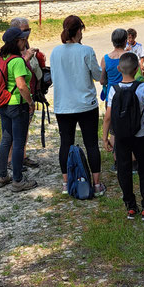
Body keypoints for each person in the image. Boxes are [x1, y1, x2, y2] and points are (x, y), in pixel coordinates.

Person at [49, 15, 106, 196]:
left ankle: (66, 183)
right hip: (86, 105)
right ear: (79, 30)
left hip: (63, 105)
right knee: (91, 144)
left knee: (65, 143)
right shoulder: (86, 51)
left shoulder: (55, 52)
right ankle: (96, 185)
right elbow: (98, 76)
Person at [102, 53, 144, 221]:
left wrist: (105, 138)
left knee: (124, 169)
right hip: (141, 135)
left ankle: (130, 207)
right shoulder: (142, 88)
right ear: (137, 70)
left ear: (119, 69)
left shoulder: (113, 89)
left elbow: (107, 117)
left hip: (121, 136)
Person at [0, 26, 38, 193]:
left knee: (6, 140)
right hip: (17, 105)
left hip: (3, 104)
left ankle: (2, 175)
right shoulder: (17, 61)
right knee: (19, 143)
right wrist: (30, 102)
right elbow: (21, 85)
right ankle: (18, 180)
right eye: (22, 39)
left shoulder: (2, 58)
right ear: (16, 42)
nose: (24, 41)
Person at [10, 16, 45, 162]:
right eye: (25, 30)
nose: (28, 33)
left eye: (29, 29)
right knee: (13, 133)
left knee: (24, 128)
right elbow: (14, 71)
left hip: (29, 94)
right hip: (16, 97)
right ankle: (12, 160)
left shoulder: (25, 45)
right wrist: (27, 58)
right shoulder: (11, 48)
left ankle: (22, 156)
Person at [100, 28, 129, 97]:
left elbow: (102, 81)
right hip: (127, 94)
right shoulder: (130, 56)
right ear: (125, 41)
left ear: (112, 42)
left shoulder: (105, 59)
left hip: (111, 95)